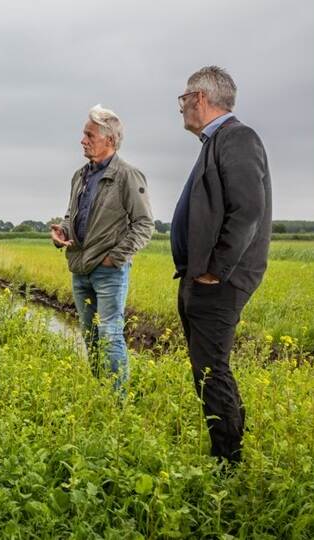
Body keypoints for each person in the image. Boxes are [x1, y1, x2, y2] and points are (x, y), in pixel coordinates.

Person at [171, 66, 271, 464]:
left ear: (199, 99)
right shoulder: (215, 142)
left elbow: (248, 209)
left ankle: (227, 462)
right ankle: (228, 448)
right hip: (202, 279)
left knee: (212, 371)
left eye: (183, 100)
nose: (181, 109)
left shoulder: (238, 137)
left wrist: (216, 270)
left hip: (219, 282)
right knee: (206, 370)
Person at [51, 105, 154, 390]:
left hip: (108, 271)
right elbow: (74, 215)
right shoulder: (80, 176)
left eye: (89, 135)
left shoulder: (128, 176)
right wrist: (62, 231)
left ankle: (117, 400)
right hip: (80, 269)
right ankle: (102, 392)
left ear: (109, 139)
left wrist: (114, 258)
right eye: (84, 134)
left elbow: (144, 224)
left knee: (109, 333)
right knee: (90, 336)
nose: (82, 140)